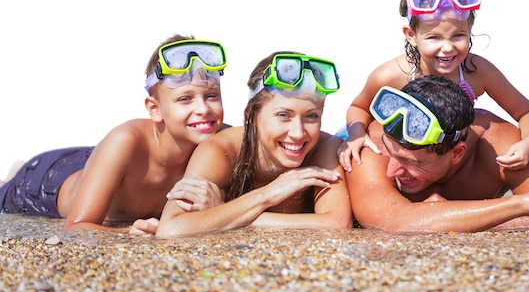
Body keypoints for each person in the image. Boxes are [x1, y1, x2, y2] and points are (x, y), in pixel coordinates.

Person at [0, 34, 230, 234]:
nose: (203, 109)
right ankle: (15, 174)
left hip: (98, 159)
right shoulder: (126, 140)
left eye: (211, 96)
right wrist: (128, 232)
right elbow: (77, 227)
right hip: (46, 183)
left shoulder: (225, 141)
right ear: (155, 109)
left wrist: (219, 206)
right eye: (185, 98)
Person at [346, 75, 529, 234]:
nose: (391, 171)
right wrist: (522, 206)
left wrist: (449, 217)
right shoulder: (371, 145)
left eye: (410, 162)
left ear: (457, 153)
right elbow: (395, 221)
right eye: (392, 154)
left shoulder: (502, 145)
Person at [337, 0, 529, 173]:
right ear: (411, 35)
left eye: (458, 35)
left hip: (430, 157)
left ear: (470, 30)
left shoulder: (477, 72)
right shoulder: (392, 75)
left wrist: (528, 143)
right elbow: (358, 107)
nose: (447, 48)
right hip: (387, 147)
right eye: (434, 37)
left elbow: (526, 112)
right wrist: (355, 136)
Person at [151, 51, 353, 238]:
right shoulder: (221, 150)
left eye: (311, 116)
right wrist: (268, 194)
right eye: (283, 115)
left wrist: (226, 210)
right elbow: (171, 228)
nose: (298, 133)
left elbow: (337, 224)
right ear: (251, 115)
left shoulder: (325, 149)